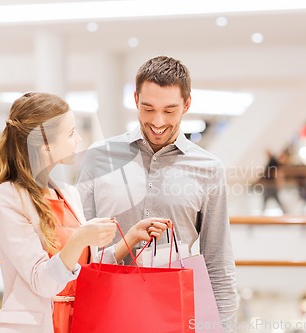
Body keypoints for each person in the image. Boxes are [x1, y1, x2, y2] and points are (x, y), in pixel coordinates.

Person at [0, 92, 171, 333]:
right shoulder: (8, 196)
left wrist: (131, 237)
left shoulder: (68, 194)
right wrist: (80, 237)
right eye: (70, 133)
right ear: (45, 143)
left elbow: (86, 268)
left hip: (80, 321)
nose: (78, 140)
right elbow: (43, 282)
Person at [75, 56, 238, 332]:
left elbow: (218, 263)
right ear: (136, 99)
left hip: (173, 317)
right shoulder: (100, 157)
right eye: (148, 108)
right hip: (105, 311)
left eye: (170, 110)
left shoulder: (208, 169)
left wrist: (224, 327)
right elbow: (76, 238)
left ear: (187, 104)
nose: (158, 121)